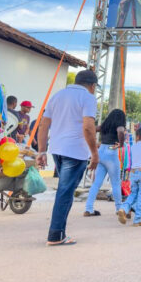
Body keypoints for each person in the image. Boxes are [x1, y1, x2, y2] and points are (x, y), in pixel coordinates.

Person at [36, 69, 99, 246]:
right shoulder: (88, 98)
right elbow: (88, 127)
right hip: (76, 151)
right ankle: (55, 234)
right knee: (65, 192)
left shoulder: (57, 96)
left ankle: (59, 232)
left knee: (65, 191)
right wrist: (94, 153)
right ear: (92, 85)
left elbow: (44, 124)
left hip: (57, 148)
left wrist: (41, 151)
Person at [84, 109, 126, 217]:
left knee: (96, 183)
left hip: (101, 151)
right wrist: (121, 144)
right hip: (112, 151)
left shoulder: (105, 126)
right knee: (116, 183)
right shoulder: (119, 125)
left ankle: (88, 209)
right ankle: (119, 208)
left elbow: (93, 129)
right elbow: (121, 131)